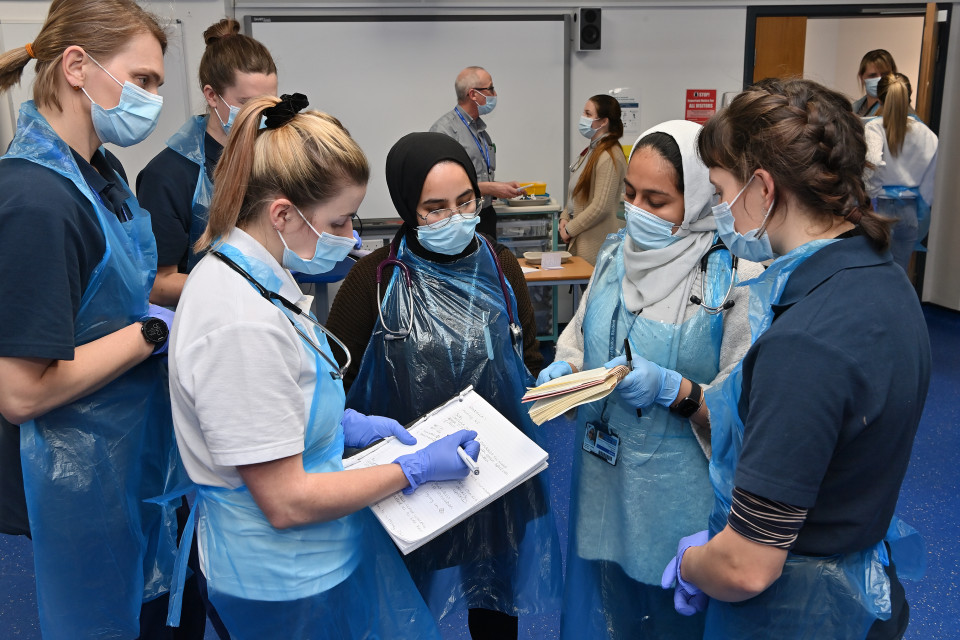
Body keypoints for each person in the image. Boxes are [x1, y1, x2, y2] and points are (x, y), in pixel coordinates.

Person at [167, 94, 479, 640]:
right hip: (281, 577)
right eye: (340, 220)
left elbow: (283, 396)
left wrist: (343, 426)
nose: (353, 237)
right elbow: (286, 502)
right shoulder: (238, 320)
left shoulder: (255, 276)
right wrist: (412, 471)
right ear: (282, 214)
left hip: (309, 563)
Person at [660, 78, 930, 640]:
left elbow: (746, 566)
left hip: (797, 616)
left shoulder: (807, 342)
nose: (718, 210)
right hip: (854, 592)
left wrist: (691, 563)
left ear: (762, 188)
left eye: (720, 190)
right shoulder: (879, 276)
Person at [325, 131, 562, 639]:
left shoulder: (499, 266)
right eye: (434, 208)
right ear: (407, 209)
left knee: (495, 598)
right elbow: (332, 381)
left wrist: (546, 382)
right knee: (404, 605)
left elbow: (527, 353)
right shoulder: (375, 279)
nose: (454, 217)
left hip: (490, 465)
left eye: (465, 201)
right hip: (409, 474)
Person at [0, 1, 187, 638]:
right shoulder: (36, 199)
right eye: (144, 80)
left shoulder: (102, 174)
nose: (154, 99)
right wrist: (153, 332)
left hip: (123, 452)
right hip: (65, 477)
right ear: (78, 66)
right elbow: (21, 393)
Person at [537, 119, 762, 640]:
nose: (638, 211)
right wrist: (567, 367)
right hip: (602, 474)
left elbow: (747, 407)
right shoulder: (616, 255)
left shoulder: (735, 276)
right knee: (607, 603)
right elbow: (581, 331)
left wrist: (675, 391)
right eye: (631, 195)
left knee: (670, 613)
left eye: (657, 201)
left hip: (676, 492)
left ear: (703, 199)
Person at [137, 18, 277, 306]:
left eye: (267, 105)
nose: (257, 116)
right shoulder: (168, 176)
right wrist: (244, 284)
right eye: (247, 103)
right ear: (212, 96)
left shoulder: (271, 159)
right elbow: (158, 285)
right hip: (206, 318)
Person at [430, 66, 527, 238]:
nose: (495, 94)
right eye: (490, 88)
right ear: (473, 94)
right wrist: (490, 188)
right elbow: (443, 188)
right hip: (459, 220)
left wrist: (501, 187)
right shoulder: (444, 132)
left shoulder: (480, 130)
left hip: (485, 215)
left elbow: (475, 177)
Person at [864, 72, 938, 272]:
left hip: (881, 209)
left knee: (873, 272)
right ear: (908, 97)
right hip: (910, 212)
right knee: (899, 273)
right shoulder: (926, 134)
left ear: (879, 99)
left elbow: (872, 163)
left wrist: (869, 196)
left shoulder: (874, 128)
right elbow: (931, 181)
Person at [559, 94, 627, 266]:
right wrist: (564, 217)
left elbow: (600, 206)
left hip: (595, 246)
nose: (583, 118)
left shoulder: (609, 155)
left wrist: (569, 229)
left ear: (603, 122)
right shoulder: (592, 151)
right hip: (581, 239)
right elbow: (576, 192)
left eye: (588, 114)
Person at [852, 49, 897, 118]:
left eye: (885, 75)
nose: (879, 80)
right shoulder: (854, 109)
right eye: (872, 75)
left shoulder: (899, 110)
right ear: (861, 77)